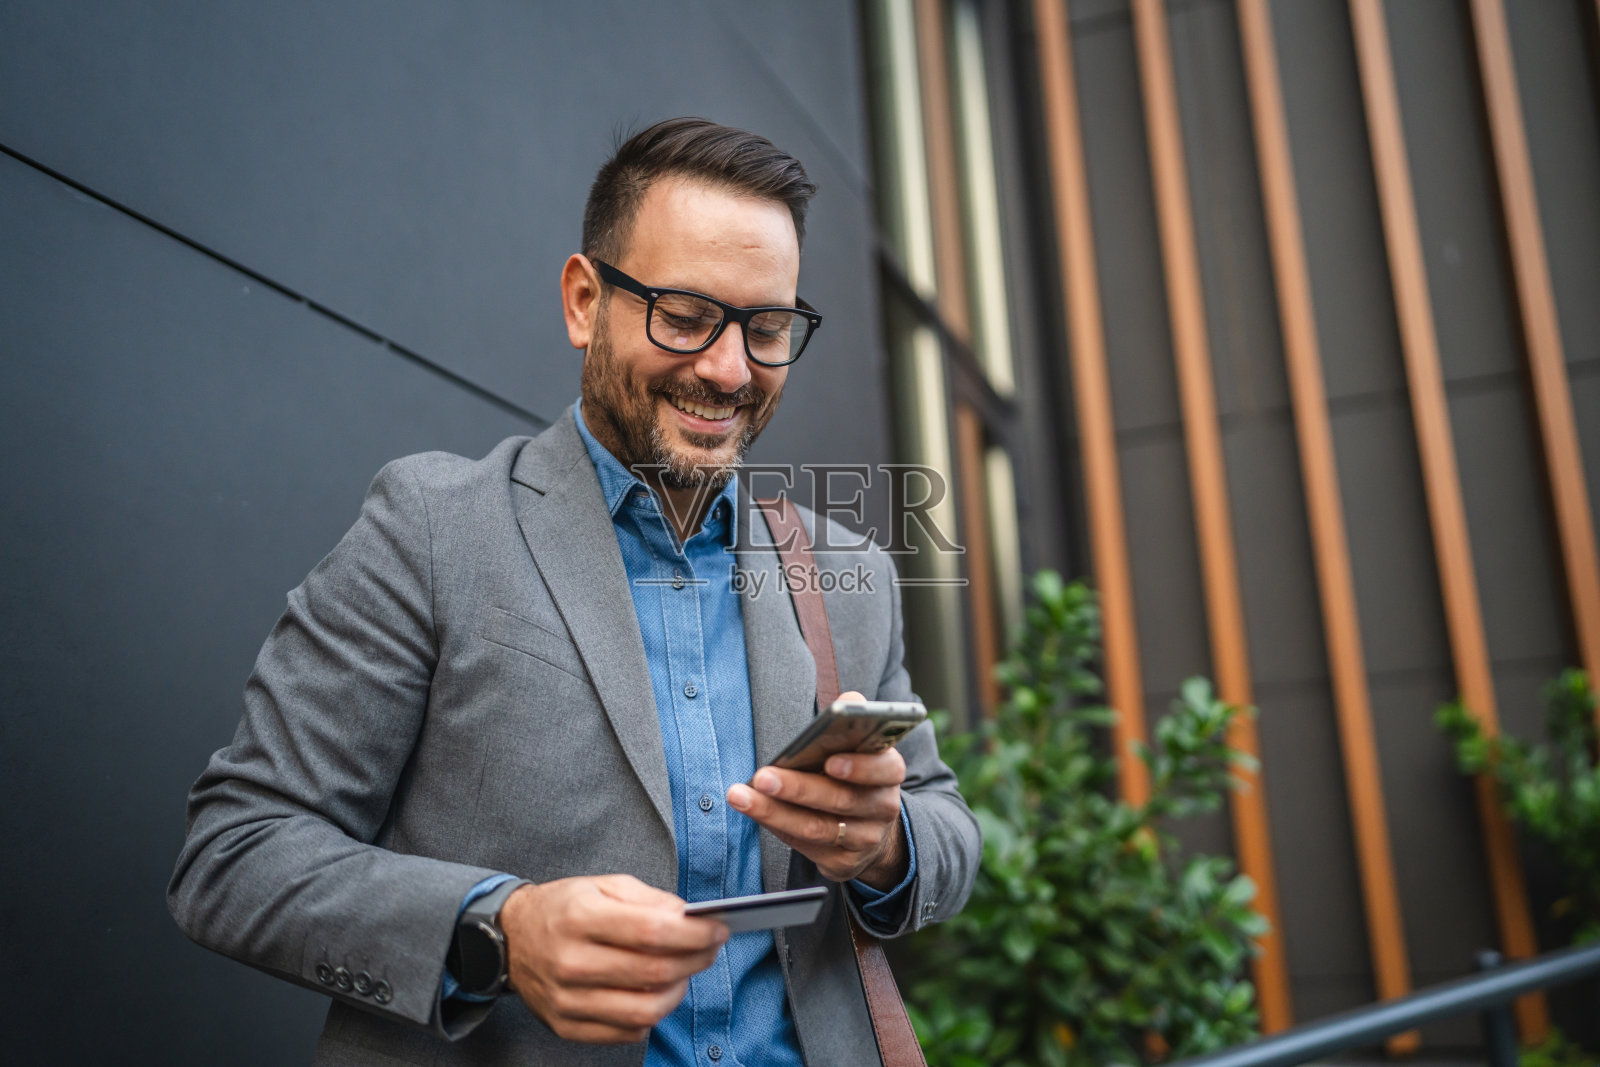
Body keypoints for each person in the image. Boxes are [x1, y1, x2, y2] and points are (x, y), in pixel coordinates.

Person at [169, 117, 980, 1067]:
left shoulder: (851, 575)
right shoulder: (430, 527)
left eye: (766, 329)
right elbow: (234, 855)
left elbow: (946, 826)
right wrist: (497, 930)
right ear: (584, 301)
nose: (729, 368)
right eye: (685, 315)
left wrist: (884, 842)